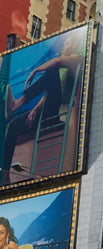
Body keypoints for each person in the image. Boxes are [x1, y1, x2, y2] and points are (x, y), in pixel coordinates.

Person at [2, 32, 83, 185]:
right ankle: (5, 174)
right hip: (46, 111)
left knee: (51, 71)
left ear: (75, 45)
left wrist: (36, 70)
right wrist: (34, 109)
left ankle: (16, 105)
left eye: (67, 43)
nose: (64, 47)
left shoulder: (77, 60)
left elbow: (57, 61)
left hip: (57, 112)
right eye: (64, 44)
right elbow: (48, 94)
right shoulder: (59, 72)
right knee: (12, 126)